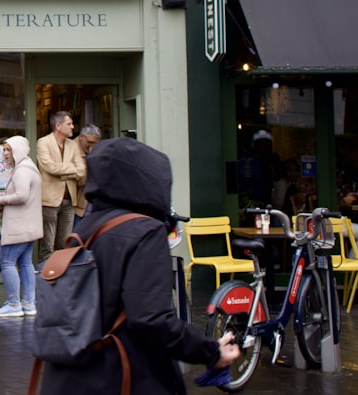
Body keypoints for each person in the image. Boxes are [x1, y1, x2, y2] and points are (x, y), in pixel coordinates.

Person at [37, 138, 239, 394]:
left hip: (71, 377)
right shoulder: (145, 231)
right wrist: (211, 351)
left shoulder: (86, 228)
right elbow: (151, 320)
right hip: (122, 376)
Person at [0, 135, 42, 318]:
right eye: (4, 150)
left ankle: (13, 304)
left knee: (7, 262)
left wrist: (1, 200)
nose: (5, 154)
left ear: (17, 150)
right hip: (29, 226)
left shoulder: (22, 170)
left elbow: (22, 195)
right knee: (26, 262)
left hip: (19, 227)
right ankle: (29, 303)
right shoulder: (30, 167)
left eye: (8, 150)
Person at [35, 111, 85, 265]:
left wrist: (62, 172)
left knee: (65, 245)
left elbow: (82, 170)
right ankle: (46, 279)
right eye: (69, 124)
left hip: (69, 200)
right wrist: (71, 169)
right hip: (49, 200)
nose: (73, 127)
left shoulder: (72, 145)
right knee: (47, 246)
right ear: (58, 126)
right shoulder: (43, 142)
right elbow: (49, 167)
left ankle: (61, 278)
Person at [72, 124, 102, 228]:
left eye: (95, 144)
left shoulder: (93, 150)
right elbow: (82, 179)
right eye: (90, 142)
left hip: (91, 204)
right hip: (76, 206)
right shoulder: (71, 149)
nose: (92, 147)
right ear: (81, 137)